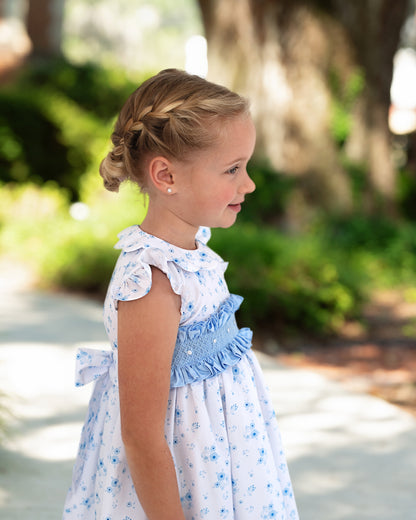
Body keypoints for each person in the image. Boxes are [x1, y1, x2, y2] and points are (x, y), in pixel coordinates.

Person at [63, 69, 299, 520]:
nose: (247, 184)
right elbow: (141, 435)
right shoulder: (151, 281)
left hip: (223, 465)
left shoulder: (195, 251)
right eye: (232, 169)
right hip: (182, 480)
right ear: (166, 174)